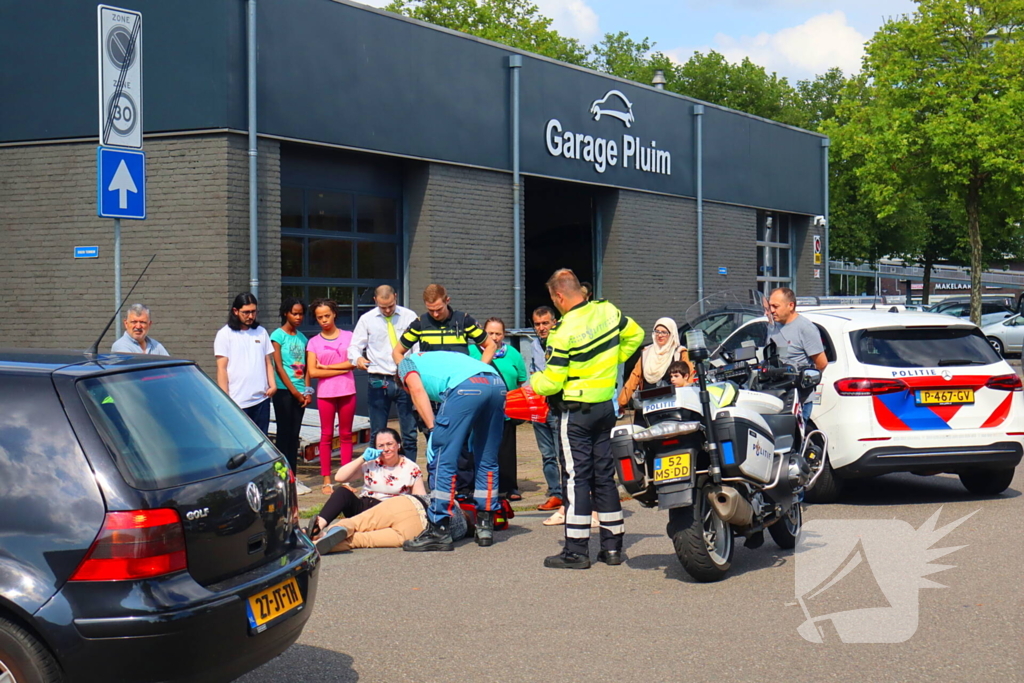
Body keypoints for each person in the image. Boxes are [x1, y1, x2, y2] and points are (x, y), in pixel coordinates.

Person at [531, 269, 644, 569]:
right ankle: (612, 548)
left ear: (559, 296)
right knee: (604, 476)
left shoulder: (562, 331)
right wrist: (612, 359)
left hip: (576, 413)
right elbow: (636, 335)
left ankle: (576, 550)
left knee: (576, 478)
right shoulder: (607, 310)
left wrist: (534, 382)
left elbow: (552, 382)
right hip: (605, 408)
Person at [396, 351, 505, 551]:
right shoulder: (439, 358)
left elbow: (417, 390)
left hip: (464, 387)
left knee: (442, 459)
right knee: (487, 459)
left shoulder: (405, 364)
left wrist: (433, 430)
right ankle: (485, 525)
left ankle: (439, 529)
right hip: (496, 383)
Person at [305, 428, 424, 539]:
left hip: (388, 513)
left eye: (389, 444)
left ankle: (337, 533)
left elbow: (420, 500)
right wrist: (362, 458)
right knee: (342, 492)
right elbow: (339, 477)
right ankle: (316, 528)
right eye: (381, 446)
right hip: (364, 507)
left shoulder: (411, 468)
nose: (386, 449)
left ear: (398, 445)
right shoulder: (372, 462)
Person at [348, 285, 419, 461]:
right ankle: (377, 470)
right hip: (379, 378)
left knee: (409, 433)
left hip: (405, 378)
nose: (387, 310)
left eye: (390, 306)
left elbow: (417, 347)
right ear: (375, 301)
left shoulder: (409, 316)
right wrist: (358, 359)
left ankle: (410, 470)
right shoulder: (367, 319)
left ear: (396, 297)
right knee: (377, 433)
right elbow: (354, 346)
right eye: (383, 307)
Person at [470, 317, 527, 501]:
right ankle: (478, 486)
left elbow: (520, 380)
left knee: (506, 450)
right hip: (480, 409)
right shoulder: (471, 351)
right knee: (478, 447)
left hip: (506, 410)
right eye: (490, 333)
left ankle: (509, 486)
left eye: (498, 333)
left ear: (504, 334)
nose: (494, 337)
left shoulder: (513, 353)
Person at [313, 493, 472, 555]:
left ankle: (334, 530)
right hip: (418, 528)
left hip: (406, 503)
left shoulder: (452, 502)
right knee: (361, 540)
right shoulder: (462, 529)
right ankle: (315, 546)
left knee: (356, 522)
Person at [306, 299, 356, 496]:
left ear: (334, 313)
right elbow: (312, 371)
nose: (324, 320)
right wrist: (339, 369)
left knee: (346, 435)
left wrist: (326, 367)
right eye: (320, 317)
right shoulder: (313, 342)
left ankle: (345, 479)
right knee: (326, 435)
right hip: (325, 394)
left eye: (327, 315)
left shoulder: (349, 336)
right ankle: (326, 479)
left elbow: (352, 363)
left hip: (347, 391)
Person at [215, 293, 276, 434]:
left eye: (253, 312)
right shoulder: (225, 334)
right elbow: (222, 368)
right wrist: (225, 399)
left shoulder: (261, 332)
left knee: (262, 440)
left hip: (261, 399)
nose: (250, 316)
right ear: (235, 311)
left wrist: (273, 385)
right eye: (246, 312)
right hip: (237, 401)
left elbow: (267, 361)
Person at [392, 283, 496, 365]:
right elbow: (397, 352)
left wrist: (480, 368)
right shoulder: (419, 324)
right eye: (431, 310)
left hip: (459, 378)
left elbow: (490, 345)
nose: (435, 314)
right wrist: (408, 373)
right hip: (431, 379)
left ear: (447, 300)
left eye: (439, 309)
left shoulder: (464, 320)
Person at [270, 297, 311, 493]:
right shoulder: (278, 336)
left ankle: (293, 477)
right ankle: (281, 477)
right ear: (286, 313)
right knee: (284, 435)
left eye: (301, 314)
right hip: (284, 392)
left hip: (300, 393)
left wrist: (307, 392)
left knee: (294, 436)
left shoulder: (303, 338)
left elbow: (308, 368)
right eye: (294, 313)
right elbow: (278, 367)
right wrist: (295, 392)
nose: (298, 317)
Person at [768, 287, 827, 420]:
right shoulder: (773, 326)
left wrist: (803, 384)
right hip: (775, 395)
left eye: (775, 306)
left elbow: (822, 363)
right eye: (770, 306)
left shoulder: (805, 328)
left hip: (798, 400)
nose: (771, 310)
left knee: (795, 433)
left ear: (791, 306)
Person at [527, 306, 564, 513]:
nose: (541, 328)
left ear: (554, 323)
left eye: (545, 323)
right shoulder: (534, 345)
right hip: (539, 406)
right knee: (547, 454)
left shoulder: (561, 342)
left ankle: (570, 493)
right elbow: (533, 371)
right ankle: (555, 493)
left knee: (562, 453)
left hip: (557, 406)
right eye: (537, 324)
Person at [618, 317, 690, 411]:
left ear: (672, 334)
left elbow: (689, 378)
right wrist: (620, 403)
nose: (660, 335)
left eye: (664, 332)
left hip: (672, 405)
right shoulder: (646, 353)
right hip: (648, 405)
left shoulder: (680, 353)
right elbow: (634, 378)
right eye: (657, 331)